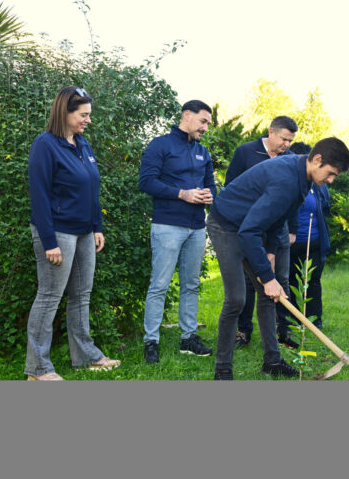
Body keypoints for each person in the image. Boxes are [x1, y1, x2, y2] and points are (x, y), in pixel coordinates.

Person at [207, 137, 349, 380]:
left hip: (249, 227)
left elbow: (280, 216)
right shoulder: (286, 179)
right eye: (330, 174)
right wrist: (267, 276)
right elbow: (248, 232)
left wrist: (271, 252)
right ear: (317, 160)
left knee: (268, 295)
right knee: (237, 298)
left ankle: (272, 361)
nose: (331, 181)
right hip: (227, 225)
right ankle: (223, 369)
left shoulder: (302, 175)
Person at [25, 86, 120, 381]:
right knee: (50, 296)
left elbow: (91, 188)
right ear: (64, 113)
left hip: (83, 233)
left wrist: (96, 226)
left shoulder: (83, 144)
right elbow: (39, 196)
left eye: (89, 115)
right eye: (83, 115)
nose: (88, 120)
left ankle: (86, 356)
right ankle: (38, 369)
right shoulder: (45, 145)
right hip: (57, 232)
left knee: (81, 294)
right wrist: (49, 241)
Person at [139, 100, 216, 363]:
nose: (206, 127)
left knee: (191, 285)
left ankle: (188, 339)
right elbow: (146, 182)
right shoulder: (160, 145)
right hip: (167, 226)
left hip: (196, 228)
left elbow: (211, 185)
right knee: (159, 285)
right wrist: (182, 194)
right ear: (187, 115)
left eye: (208, 123)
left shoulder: (203, 152)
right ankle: (151, 341)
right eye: (203, 121)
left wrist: (209, 196)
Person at [224, 116, 300, 350]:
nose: (286, 145)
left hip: (279, 228)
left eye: (291, 140)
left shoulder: (290, 159)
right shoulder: (246, 152)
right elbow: (230, 187)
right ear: (271, 132)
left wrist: (292, 229)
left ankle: (282, 330)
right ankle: (243, 330)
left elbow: (295, 197)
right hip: (250, 228)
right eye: (284, 139)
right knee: (250, 281)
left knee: (282, 279)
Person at [287, 142, 331, 330]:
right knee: (288, 281)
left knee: (312, 280)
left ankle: (314, 319)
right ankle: (291, 318)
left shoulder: (319, 185)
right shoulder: (287, 181)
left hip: (313, 242)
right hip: (288, 243)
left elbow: (326, 206)